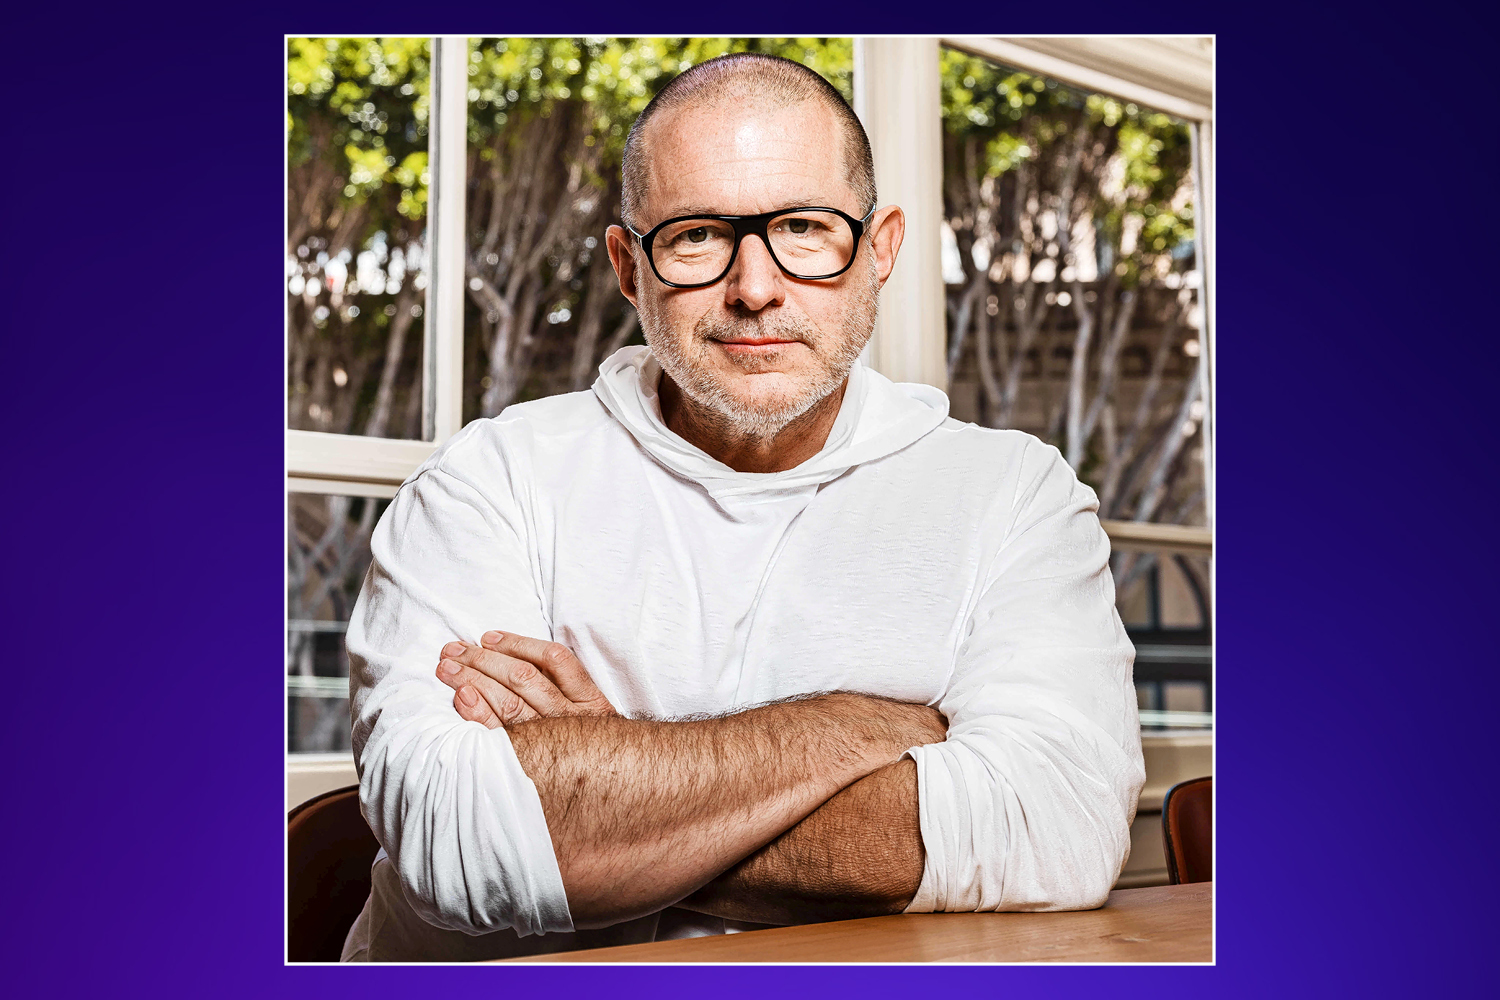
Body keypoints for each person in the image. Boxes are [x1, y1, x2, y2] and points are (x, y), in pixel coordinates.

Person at [339, 52, 1144, 962]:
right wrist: (859, 728)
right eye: (695, 236)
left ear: (879, 249)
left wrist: (603, 787)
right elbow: (458, 837)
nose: (755, 288)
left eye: (804, 228)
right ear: (628, 267)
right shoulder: (490, 479)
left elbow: (1056, 830)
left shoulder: (1015, 494)